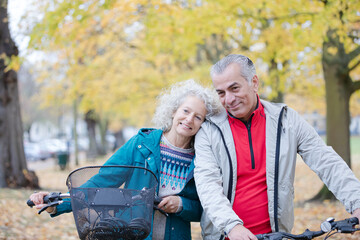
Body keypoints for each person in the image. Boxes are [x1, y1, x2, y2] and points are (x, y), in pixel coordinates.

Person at [193, 54, 360, 240]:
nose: (229, 99)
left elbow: (326, 161)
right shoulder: (208, 130)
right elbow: (207, 183)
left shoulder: (287, 120)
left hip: (276, 235)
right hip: (225, 235)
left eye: (234, 88)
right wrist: (232, 227)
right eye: (221, 93)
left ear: (254, 82)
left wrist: (357, 203)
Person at [29, 79, 221, 240]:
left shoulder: (202, 158)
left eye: (198, 117)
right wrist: (56, 205)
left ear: (204, 124)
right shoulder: (141, 144)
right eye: (186, 111)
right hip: (133, 234)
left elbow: (205, 207)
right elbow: (101, 183)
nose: (189, 119)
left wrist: (181, 205)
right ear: (174, 111)